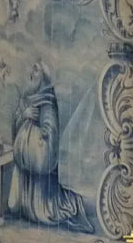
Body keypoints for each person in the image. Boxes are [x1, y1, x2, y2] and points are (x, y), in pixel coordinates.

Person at [8, 60, 94, 232]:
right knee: (20, 210)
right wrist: (23, 117)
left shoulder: (47, 101)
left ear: (44, 79)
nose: (31, 73)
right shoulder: (26, 98)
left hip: (38, 166)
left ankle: (71, 202)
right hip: (26, 168)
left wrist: (32, 137)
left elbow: (50, 133)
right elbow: (15, 129)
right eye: (32, 69)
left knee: (43, 215)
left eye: (36, 70)